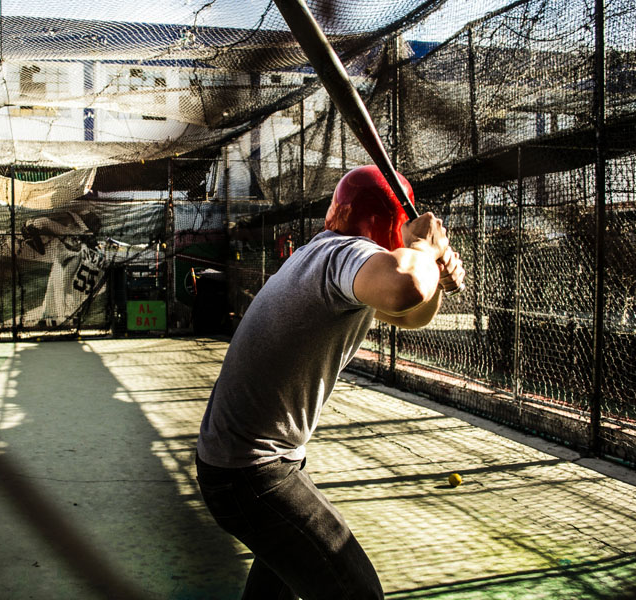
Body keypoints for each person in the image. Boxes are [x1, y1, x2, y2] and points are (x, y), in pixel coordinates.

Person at [195, 165, 465, 599]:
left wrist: (433, 276)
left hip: (249, 465)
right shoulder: (343, 255)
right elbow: (404, 285)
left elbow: (408, 313)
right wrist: (422, 251)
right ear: (390, 228)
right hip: (253, 473)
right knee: (356, 593)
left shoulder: (319, 255)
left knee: (276, 589)